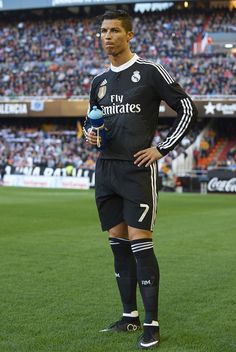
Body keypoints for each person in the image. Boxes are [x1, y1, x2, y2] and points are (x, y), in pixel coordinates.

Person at [83, 10, 198, 349]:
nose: (107, 36)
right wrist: (90, 134)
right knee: (117, 244)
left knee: (140, 243)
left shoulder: (149, 72)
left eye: (114, 30)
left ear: (129, 35)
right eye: (103, 31)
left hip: (137, 170)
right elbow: (91, 122)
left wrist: (162, 149)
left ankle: (152, 324)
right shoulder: (99, 81)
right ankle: (129, 318)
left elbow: (187, 108)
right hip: (106, 170)